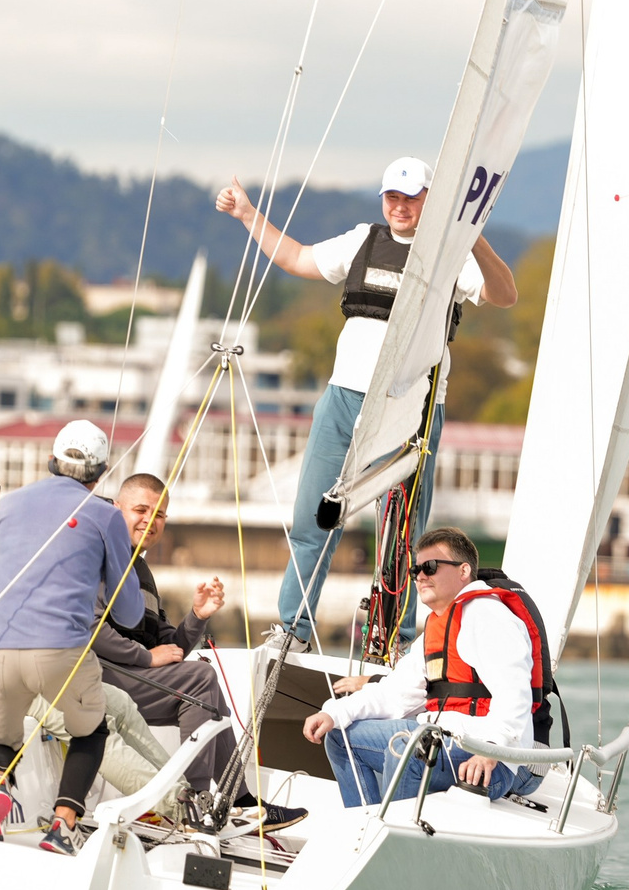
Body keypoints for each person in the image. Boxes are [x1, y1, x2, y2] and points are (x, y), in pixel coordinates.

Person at [216, 157, 518, 645]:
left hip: (411, 407)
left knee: (401, 532)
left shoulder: (450, 254)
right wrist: (249, 215)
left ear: (429, 202)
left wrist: (473, 235)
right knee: (313, 517)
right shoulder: (363, 240)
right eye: (392, 197)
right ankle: (293, 629)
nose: (400, 207)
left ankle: (394, 637)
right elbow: (295, 258)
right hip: (343, 399)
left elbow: (505, 295)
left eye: (411, 198)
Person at [96, 472, 304, 832]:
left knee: (205, 689)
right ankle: (195, 804)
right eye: (141, 510)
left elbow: (171, 647)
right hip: (101, 676)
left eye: (159, 514)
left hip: (132, 676)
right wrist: (147, 658)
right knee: (200, 679)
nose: (151, 521)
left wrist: (197, 616)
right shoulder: (101, 558)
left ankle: (236, 802)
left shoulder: (141, 570)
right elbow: (93, 631)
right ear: (117, 510)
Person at [0, 420, 140, 854]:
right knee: (91, 732)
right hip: (59, 651)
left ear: (52, 460)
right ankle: (63, 826)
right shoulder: (104, 514)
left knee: (0, 741)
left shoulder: (6, 506)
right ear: (101, 472)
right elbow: (129, 612)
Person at [302, 525, 552, 808]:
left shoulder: (488, 615)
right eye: (415, 570)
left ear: (463, 571)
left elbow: (514, 697)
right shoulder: (438, 626)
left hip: (494, 760)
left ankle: (394, 834)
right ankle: (367, 825)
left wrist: (489, 750)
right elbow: (393, 694)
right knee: (340, 737)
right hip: (442, 738)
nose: (420, 576)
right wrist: (334, 713)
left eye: (431, 567)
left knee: (405, 748)